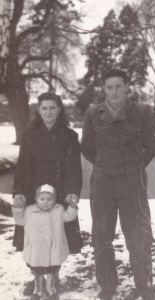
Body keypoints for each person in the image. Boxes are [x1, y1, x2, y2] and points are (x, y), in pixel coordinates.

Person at [81, 69, 155, 300]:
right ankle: (107, 285)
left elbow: (152, 145)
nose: (114, 91)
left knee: (138, 234)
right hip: (103, 181)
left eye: (118, 86)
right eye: (109, 87)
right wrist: (105, 165)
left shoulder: (143, 112)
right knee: (101, 234)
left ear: (127, 87)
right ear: (103, 89)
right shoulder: (93, 112)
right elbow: (86, 146)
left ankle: (143, 285)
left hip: (132, 181)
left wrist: (134, 166)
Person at [13, 92, 82, 295]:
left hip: (59, 194)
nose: (49, 112)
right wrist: (19, 192)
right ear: (39, 110)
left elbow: (74, 168)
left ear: (59, 109)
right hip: (35, 195)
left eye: (53, 107)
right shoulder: (29, 135)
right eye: (44, 108)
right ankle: (37, 279)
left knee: (56, 237)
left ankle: (53, 276)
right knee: (35, 238)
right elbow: (22, 167)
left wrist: (72, 192)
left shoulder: (69, 136)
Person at [12, 183, 79, 300]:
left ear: (54, 200)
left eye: (49, 199)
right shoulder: (28, 211)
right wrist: (18, 208)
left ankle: (51, 290)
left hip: (54, 249)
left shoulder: (59, 210)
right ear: (36, 199)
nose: (45, 202)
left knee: (52, 271)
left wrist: (72, 206)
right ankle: (38, 291)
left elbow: (69, 216)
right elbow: (19, 220)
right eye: (42, 199)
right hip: (36, 250)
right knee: (37, 272)